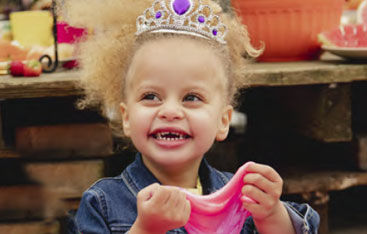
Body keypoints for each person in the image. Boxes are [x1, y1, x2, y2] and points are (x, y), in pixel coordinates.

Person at [62, 0, 320, 233]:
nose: (170, 111)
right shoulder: (102, 203)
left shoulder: (242, 199)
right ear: (126, 117)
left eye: (192, 98)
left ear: (223, 121)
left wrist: (272, 215)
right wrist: (146, 229)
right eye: (151, 96)